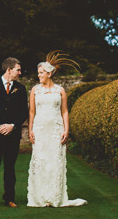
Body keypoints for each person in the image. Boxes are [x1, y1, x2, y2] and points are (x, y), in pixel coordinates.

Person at [27, 51, 87, 207]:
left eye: (41, 73)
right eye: (38, 73)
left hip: (55, 131)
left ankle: (55, 197)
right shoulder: (35, 90)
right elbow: (32, 112)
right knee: (40, 162)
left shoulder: (60, 90)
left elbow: (65, 111)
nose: (38, 75)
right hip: (40, 130)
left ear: (49, 73)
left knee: (55, 162)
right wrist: (30, 130)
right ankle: (40, 198)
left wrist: (66, 130)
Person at [0, 57, 29, 209]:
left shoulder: (21, 89)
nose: (20, 73)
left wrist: (13, 125)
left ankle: (9, 198)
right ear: (9, 70)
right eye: (18, 70)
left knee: (10, 167)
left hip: (12, 135)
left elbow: (24, 112)